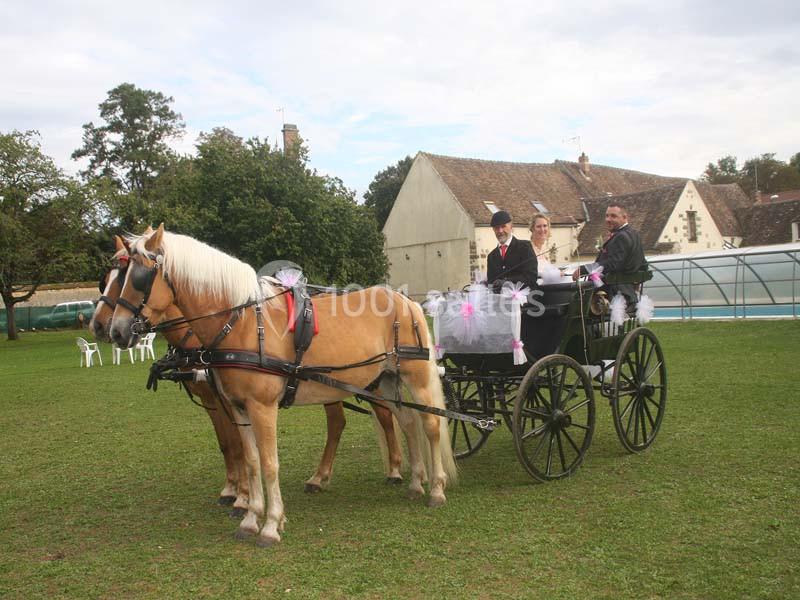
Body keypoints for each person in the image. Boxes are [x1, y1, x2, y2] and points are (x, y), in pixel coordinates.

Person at [572, 203, 646, 304]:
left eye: (613, 216)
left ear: (624, 217)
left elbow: (613, 264)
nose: (608, 219)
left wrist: (584, 269)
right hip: (627, 291)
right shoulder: (635, 234)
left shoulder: (621, 237)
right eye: (607, 215)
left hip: (613, 293)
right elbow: (643, 264)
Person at [486, 210, 537, 291]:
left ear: (511, 226)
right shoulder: (491, 256)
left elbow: (531, 277)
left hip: (526, 300)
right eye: (496, 228)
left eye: (503, 226)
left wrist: (507, 282)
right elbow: (490, 282)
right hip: (500, 301)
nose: (500, 231)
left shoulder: (525, 247)